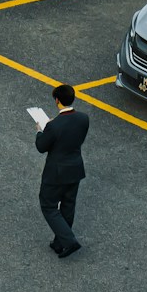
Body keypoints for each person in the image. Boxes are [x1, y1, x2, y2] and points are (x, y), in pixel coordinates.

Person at [35, 84, 89, 258]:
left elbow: (41, 147)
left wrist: (40, 131)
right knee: (68, 205)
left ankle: (69, 241)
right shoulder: (83, 118)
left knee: (48, 206)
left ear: (57, 100)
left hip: (56, 173)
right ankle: (59, 243)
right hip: (75, 169)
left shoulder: (53, 126)